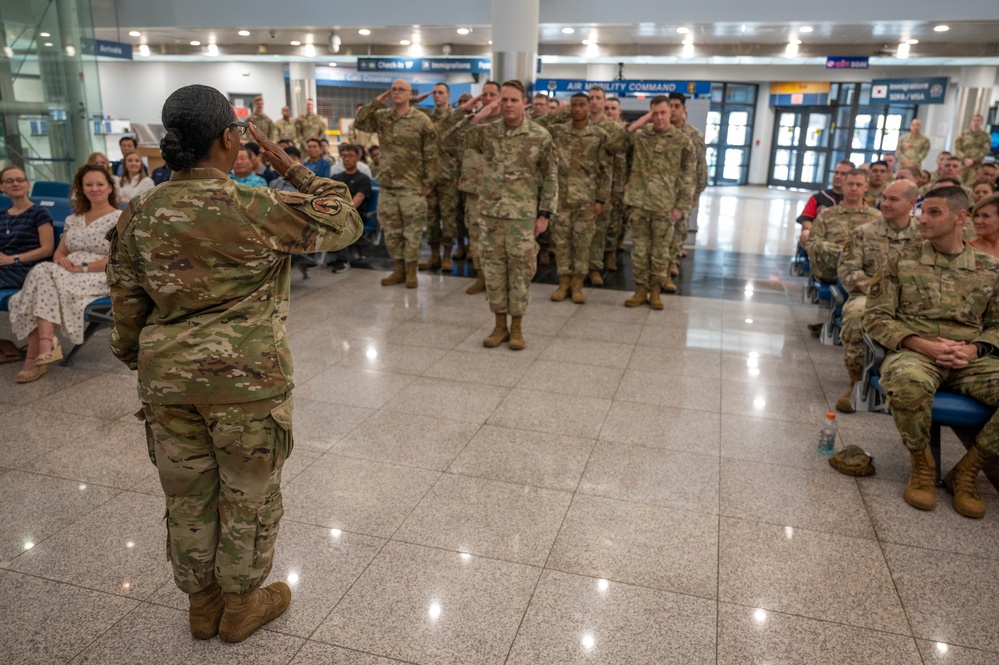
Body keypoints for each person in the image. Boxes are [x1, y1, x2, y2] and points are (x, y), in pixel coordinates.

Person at [106, 84, 363, 643]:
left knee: (188, 496)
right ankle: (242, 605)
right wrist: (291, 166)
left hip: (167, 384)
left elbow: (125, 304)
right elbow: (342, 219)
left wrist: (141, 360)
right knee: (248, 497)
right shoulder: (256, 206)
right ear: (228, 138)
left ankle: (203, 606)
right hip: (248, 384)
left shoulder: (139, 213)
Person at [864, 185, 999, 519]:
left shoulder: (989, 269)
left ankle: (967, 470)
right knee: (907, 382)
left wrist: (973, 349)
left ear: (960, 218)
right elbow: (875, 316)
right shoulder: (902, 260)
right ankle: (922, 465)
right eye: (923, 211)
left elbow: (996, 323)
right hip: (916, 351)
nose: (923, 219)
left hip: (969, 358)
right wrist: (920, 343)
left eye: (934, 213)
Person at [464, 80, 557, 350]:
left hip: (522, 217)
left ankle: (516, 327)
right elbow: (450, 139)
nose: (508, 105)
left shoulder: (540, 136)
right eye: (503, 100)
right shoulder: (487, 132)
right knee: (493, 272)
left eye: (514, 100)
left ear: (524, 103)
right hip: (491, 217)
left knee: (520, 273)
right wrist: (478, 114)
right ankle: (498, 326)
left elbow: (551, 177)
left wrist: (545, 214)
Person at [8, 163, 120, 383]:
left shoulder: (120, 218)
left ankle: (37, 354)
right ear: (82, 188)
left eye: (99, 184)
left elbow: (119, 260)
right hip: (65, 274)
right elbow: (59, 253)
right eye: (88, 184)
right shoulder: (74, 219)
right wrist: (61, 261)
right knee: (44, 273)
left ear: (109, 188)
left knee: (40, 278)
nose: (94, 188)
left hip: (98, 274)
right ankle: (46, 345)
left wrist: (82, 267)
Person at [835, 179, 920, 412]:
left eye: (893, 199)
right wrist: (881, 293)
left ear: (912, 203)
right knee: (854, 315)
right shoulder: (864, 233)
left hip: (914, 300)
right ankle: (856, 382)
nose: (885, 203)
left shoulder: (924, 236)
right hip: (870, 296)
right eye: (884, 197)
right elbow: (849, 271)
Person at [354, 79, 439, 288]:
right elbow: (360, 122)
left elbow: (432, 153)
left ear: (410, 94)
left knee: (413, 231)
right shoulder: (383, 117)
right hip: (389, 185)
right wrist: (376, 103)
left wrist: (429, 182)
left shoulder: (421, 120)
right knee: (391, 232)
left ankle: (411, 271)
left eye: (402, 89)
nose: (397, 92)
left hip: (412, 185)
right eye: (394, 89)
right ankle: (398, 268)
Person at [622, 95, 694, 307]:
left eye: (664, 112)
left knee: (661, 252)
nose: (660, 117)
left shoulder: (682, 140)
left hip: (664, 205)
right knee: (640, 251)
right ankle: (640, 289)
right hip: (639, 204)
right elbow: (616, 142)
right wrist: (641, 121)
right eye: (656, 113)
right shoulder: (641, 136)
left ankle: (655, 291)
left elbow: (689, 175)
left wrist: (681, 206)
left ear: (670, 113)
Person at [547, 92, 610, 304]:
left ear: (588, 107)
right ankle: (563, 281)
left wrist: (601, 199)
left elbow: (605, 170)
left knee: (583, 243)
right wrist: (557, 112)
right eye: (573, 105)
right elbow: (537, 125)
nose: (577, 109)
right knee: (562, 241)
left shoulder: (599, 135)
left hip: (586, 200)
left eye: (581, 105)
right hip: (561, 198)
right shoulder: (558, 131)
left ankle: (578, 284)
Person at [805, 169, 881, 283]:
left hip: (864, 272)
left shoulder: (876, 217)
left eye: (858, 185)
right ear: (843, 186)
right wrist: (841, 253)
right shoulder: (826, 215)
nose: (854, 188)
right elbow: (812, 243)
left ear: (866, 187)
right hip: (831, 270)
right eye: (850, 184)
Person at [415, 82, 460, 272]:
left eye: (441, 93)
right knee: (431, 219)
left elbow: (462, 149)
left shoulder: (456, 118)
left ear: (449, 96)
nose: (437, 96)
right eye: (434, 93)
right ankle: (434, 255)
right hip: (430, 178)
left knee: (449, 219)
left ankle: (447, 256)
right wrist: (417, 98)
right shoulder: (426, 117)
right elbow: (405, 107)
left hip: (449, 177)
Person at [666, 92, 707, 277]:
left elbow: (700, 165)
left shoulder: (693, 135)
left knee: (680, 227)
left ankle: (672, 261)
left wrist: (697, 192)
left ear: (684, 109)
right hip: (661, 190)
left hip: (684, 190)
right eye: (670, 106)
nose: (672, 110)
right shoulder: (657, 131)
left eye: (676, 106)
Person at [0, 166, 56, 289]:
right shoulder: (1, 215)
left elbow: (47, 249)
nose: (15, 184)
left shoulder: (40, 213)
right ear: (2, 187)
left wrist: (13, 259)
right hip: (4, 266)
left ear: (27, 184)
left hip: (26, 267)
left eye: (20, 180)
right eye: (9, 181)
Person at [329, 144, 373, 273]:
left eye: (350, 156)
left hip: (356, 214)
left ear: (358, 157)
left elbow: (358, 199)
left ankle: (342, 260)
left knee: (341, 220)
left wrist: (340, 211)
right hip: (335, 211)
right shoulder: (337, 178)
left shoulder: (363, 179)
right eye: (344, 156)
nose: (347, 159)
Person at [955, 114, 991, 186]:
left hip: (976, 166)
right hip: (963, 165)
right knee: (958, 184)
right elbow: (957, 148)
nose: (976, 122)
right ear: (971, 121)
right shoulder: (963, 134)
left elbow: (985, 150)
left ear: (981, 123)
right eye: (974, 120)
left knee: (971, 185)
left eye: (978, 121)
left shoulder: (986, 136)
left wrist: (974, 160)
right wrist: (964, 159)